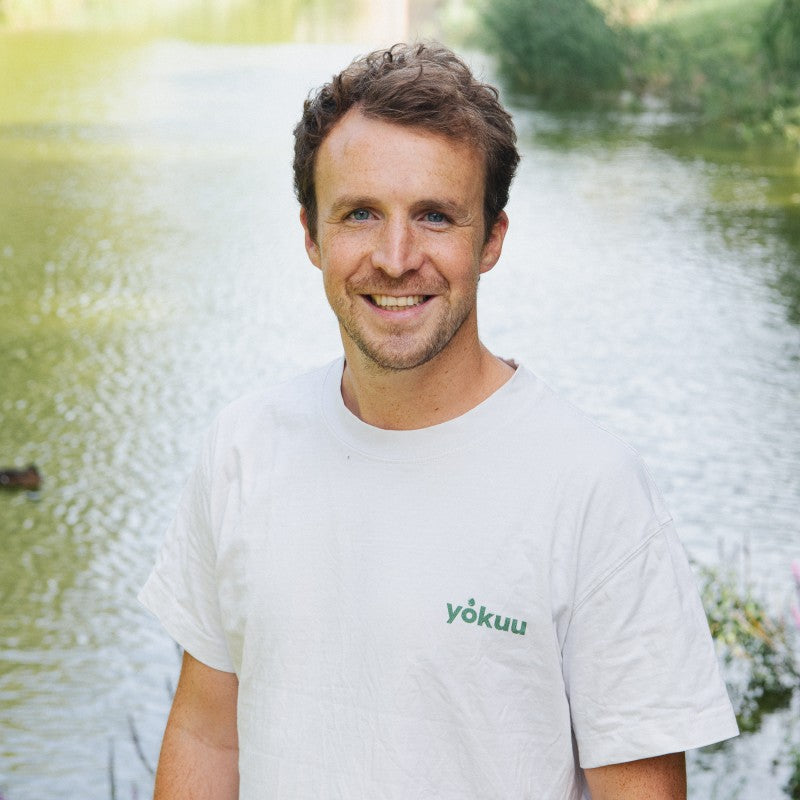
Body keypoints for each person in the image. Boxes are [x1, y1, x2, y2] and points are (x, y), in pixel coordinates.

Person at [139, 42, 738, 799]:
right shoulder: (243, 448)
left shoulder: (593, 491)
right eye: (361, 213)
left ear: (491, 239)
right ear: (311, 235)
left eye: (434, 216)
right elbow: (206, 734)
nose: (396, 258)